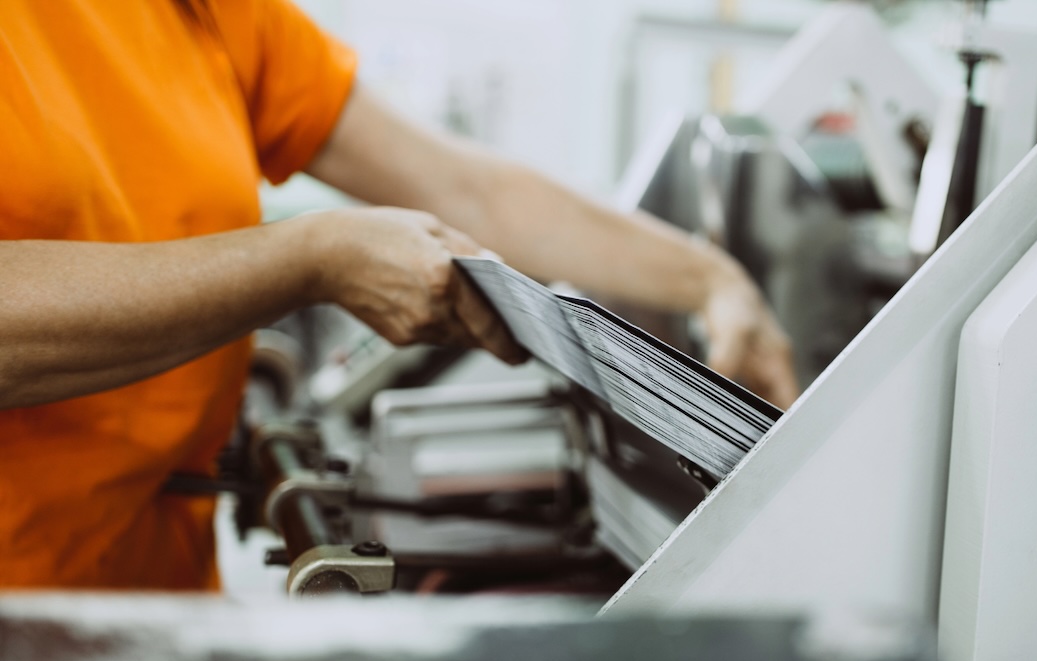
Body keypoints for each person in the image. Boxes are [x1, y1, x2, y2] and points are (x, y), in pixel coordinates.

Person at [0, 0, 798, 590]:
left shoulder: (201, 12)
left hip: (153, 593)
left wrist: (710, 278)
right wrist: (306, 256)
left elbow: (466, 189)